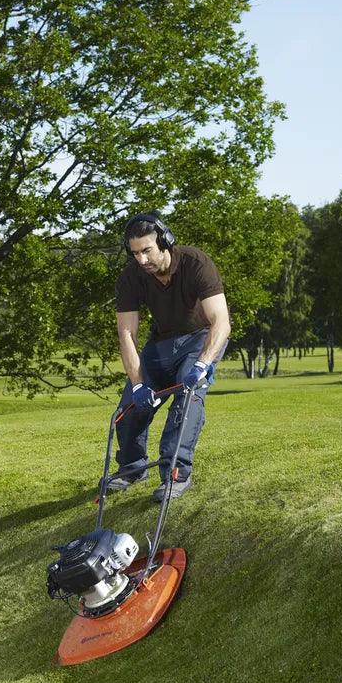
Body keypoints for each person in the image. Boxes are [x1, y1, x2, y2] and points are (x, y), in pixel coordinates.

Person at [108, 212, 231, 501]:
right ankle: (133, 468)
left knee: (188, 397)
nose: (141, 260)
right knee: (129, 409)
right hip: (162, 342)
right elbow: (126, 334)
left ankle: (175, 474)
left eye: (147, 251)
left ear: (165, 241)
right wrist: (138, 385)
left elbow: (221, 323)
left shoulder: (195, 263)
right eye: (135, 253)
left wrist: (202, 364)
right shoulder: (131, 277)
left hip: (202, 337)